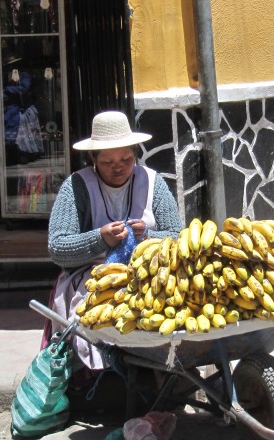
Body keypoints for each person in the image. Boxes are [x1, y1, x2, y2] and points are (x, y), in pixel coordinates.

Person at [46, 111, 183, 376]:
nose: (118, 166)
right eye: (107, 161)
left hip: (150, 273)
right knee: (94, 310)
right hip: (93, 277)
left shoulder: (153, 182)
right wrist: (100, 238)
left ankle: (162, 372)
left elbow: (177, 235)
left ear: (135, 154)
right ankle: (101, 379)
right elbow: (58, 248)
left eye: (126, 159)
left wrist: (147, 237)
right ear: (92, 159)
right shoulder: (76, 186)